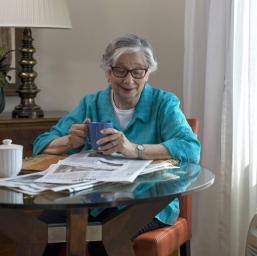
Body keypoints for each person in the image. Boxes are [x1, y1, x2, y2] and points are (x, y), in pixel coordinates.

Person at [33, 33, 200, 254]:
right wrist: (68, 141)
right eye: (120, 70)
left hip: (147, 203)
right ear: (108, 72)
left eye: (137, 71)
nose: (128, 80)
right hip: (91, 202)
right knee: (39, 232)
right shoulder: (91, 103)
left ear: (148, 73)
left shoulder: (164, 103)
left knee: (104, 236)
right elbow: (40, 145)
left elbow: (190, 149)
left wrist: (134, 149)